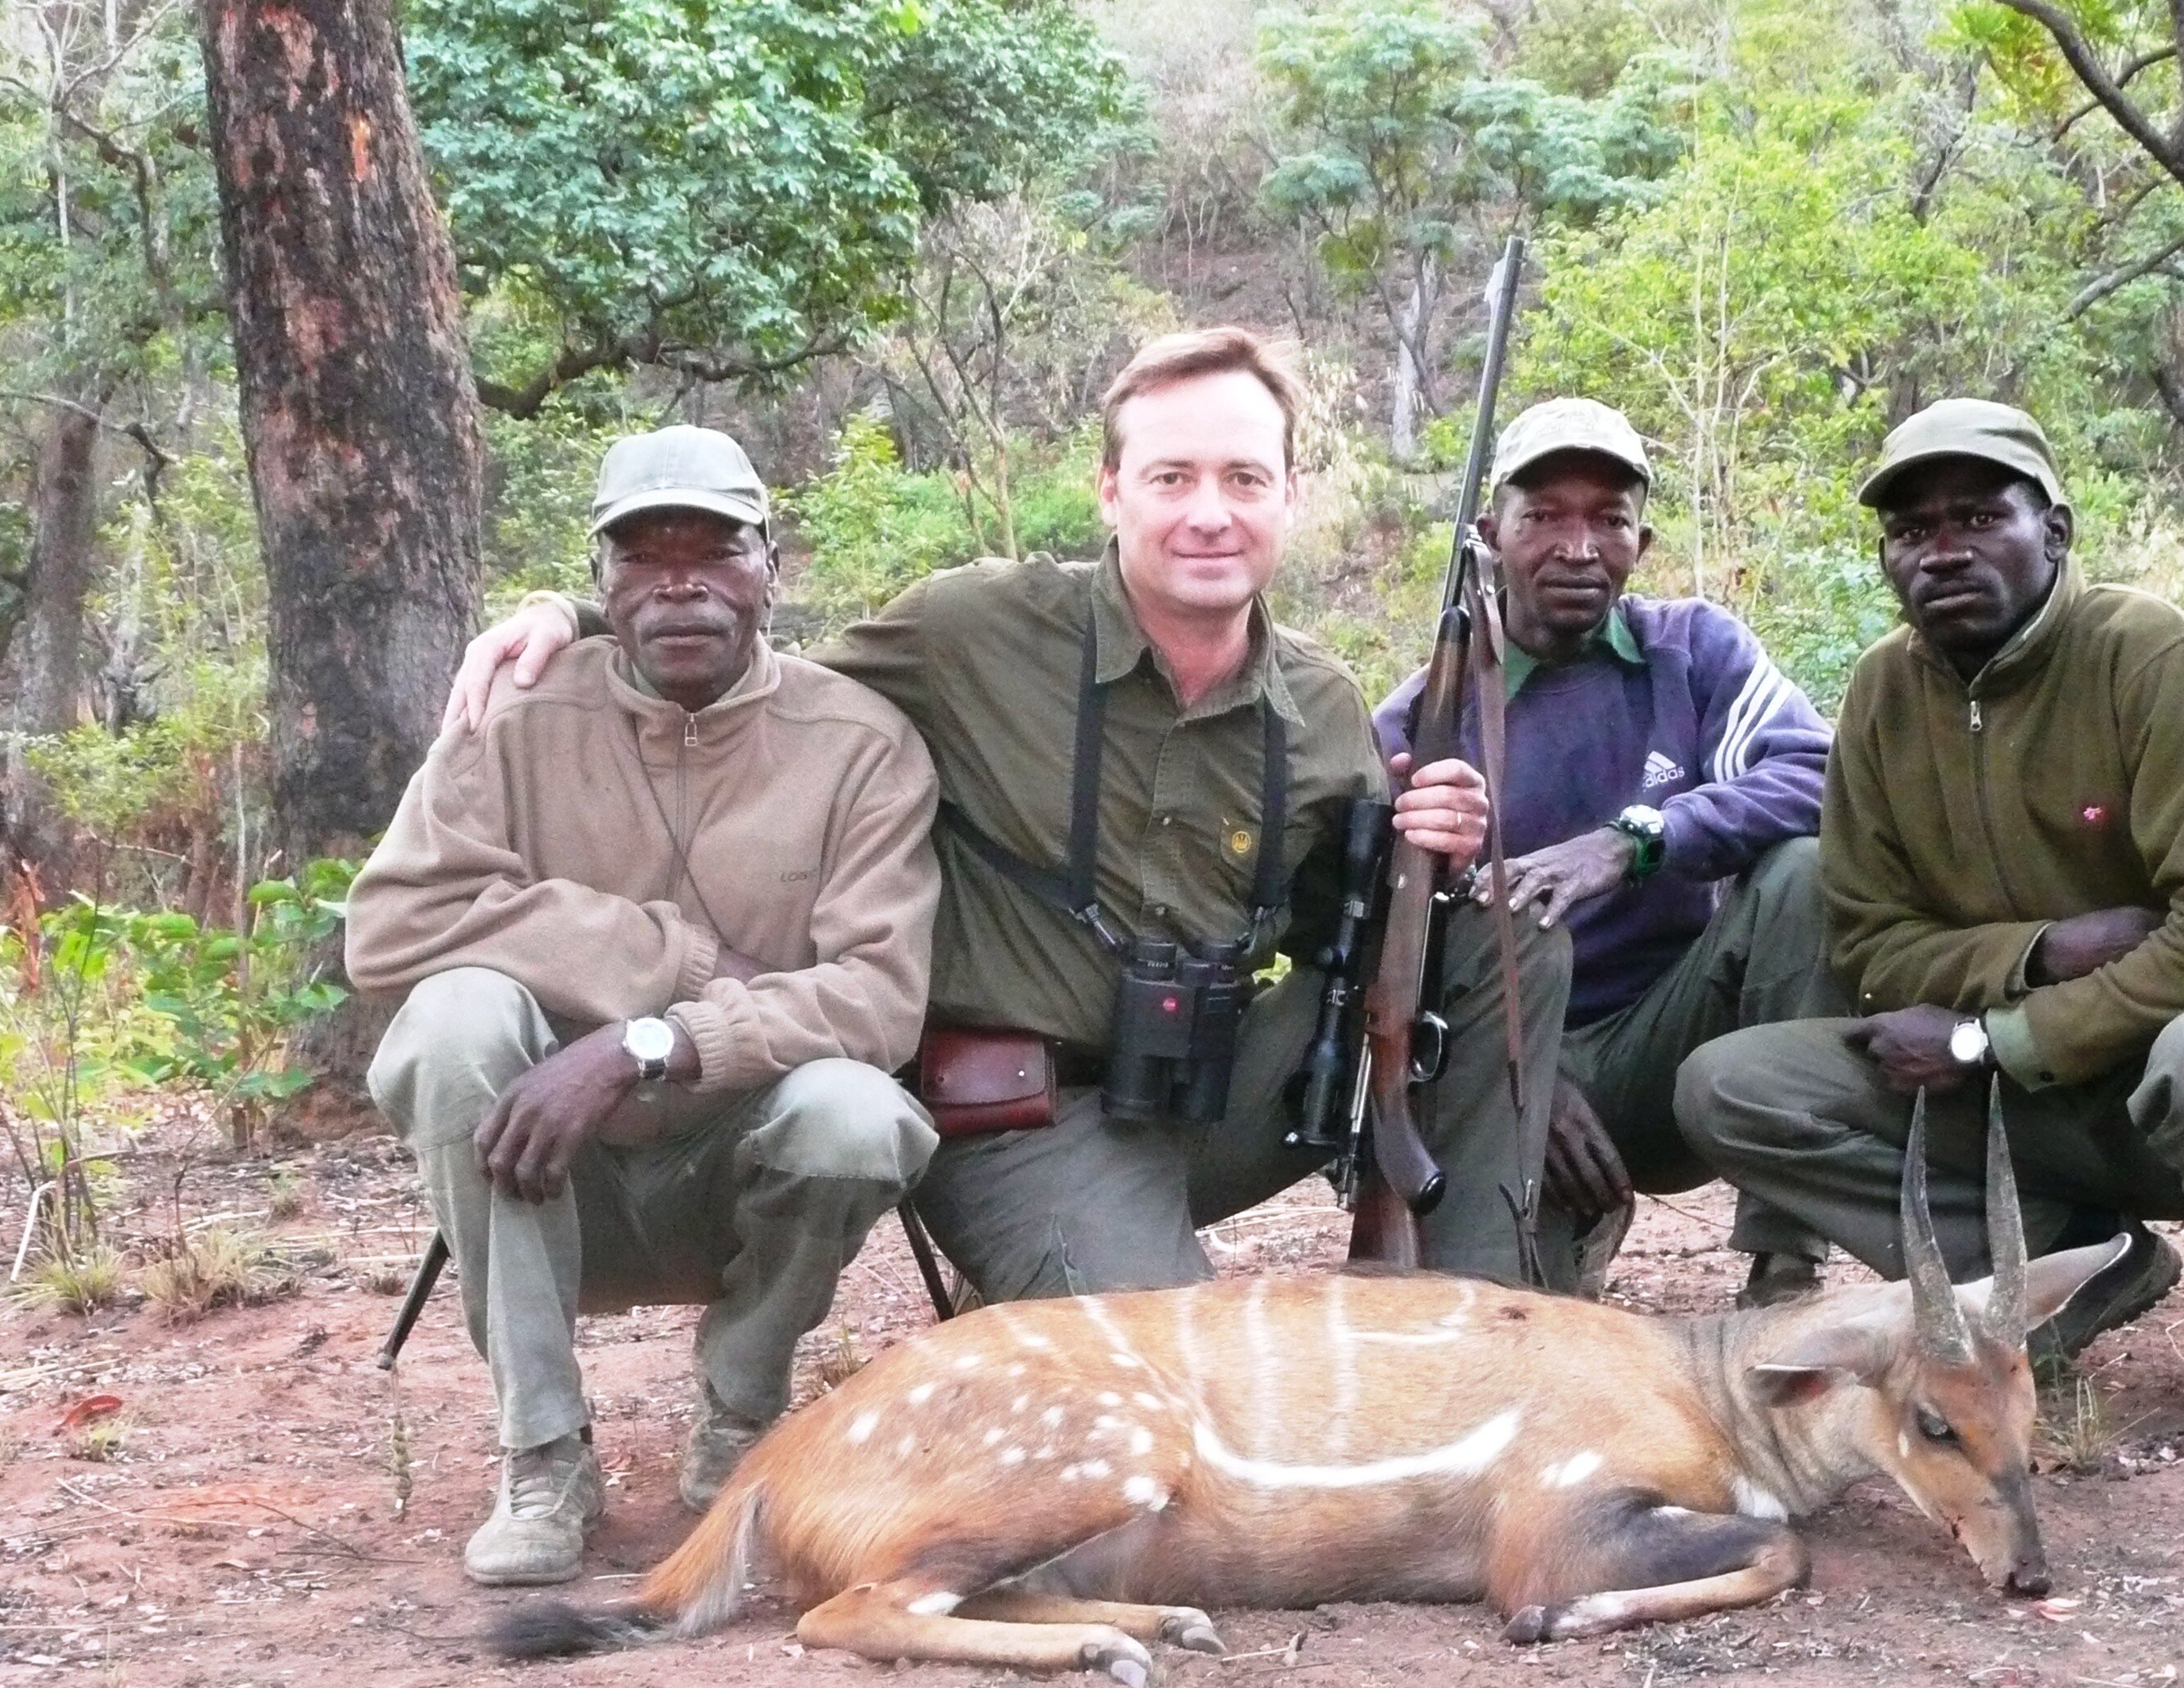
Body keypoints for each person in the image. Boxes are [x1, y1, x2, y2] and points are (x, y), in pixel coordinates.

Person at [444, 331, 1566, 1303]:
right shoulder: (970, 630)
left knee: (1503, 934)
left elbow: (1360, 933)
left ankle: (1478, 1316)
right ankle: (1065, 1274)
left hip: (1213, 1086)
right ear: (1111, 490)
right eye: (1173, 478)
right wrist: (582, 614)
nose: (1210, 515)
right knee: (1171, 1387)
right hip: (1028, 1109)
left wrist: (1434, 854)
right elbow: (757, 678)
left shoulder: (1320, 706)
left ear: (1289, 495)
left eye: (1244, 479)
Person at [1677, 398, 2184, 1416]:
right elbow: (1872, 938)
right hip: (2019, 1099)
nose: (1943, 552)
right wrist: (2043, 952)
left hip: (2178, 1091)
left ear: (2053, 531)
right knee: (1730, 1088)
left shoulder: (2157, 662)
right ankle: (2074, 1269)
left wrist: (1991, 1041)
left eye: (1978, 519)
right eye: (1912, 531)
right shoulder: (1883, 693)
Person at [349, 425, 941, 1585]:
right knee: (456, 1019)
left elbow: (877, 998)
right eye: (642, 555)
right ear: (600, 581)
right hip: (541, 1174)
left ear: (773, 567)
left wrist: (659, 1040)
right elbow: (390, 927)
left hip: (742, 1166)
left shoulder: (859, 745)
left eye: (715, 550)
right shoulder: (510, 713)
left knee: (856, 1113)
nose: (681, 583)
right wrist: (667, 965)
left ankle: (742, 1408)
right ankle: (542, 1451)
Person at [1374, 398, 1839, 1299]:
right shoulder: (1416, 723)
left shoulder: (1695, 653)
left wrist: (1639, 841)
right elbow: (1386, 967)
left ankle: (1786, 1263)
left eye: (1608, 520)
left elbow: (1819, 774)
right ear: (1490, 534)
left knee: (1804, 874)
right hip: (1502, 1084)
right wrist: (1518, 1082)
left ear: (1644, 540)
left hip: (1669, 1043)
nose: (1578, 547)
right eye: (1544, 516)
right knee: (1513, 1330)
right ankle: (1565, 1227)